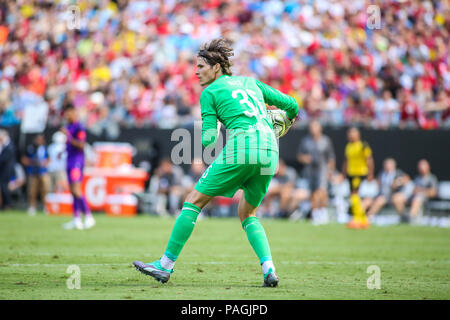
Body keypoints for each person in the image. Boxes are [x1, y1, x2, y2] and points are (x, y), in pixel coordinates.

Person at [133, 38, 299, 287]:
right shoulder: (250, 82)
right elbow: (293, 105)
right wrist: (283, 120)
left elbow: (210, 139)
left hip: (243, 147)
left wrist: (205, 125)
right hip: (269, 150)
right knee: (248, 213)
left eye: (200, 66)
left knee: (193, 201)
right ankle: (269, 269)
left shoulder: (209, 92)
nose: (196, 71)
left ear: (216, 67)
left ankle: (165, 265)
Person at [60, 103, 95, 230]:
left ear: (74, 113)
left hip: (77, 162)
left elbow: (81, 145)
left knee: (76, 190)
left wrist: (68, 136)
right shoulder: (69, 126)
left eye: (68, 112)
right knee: (72, 191)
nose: (66, 115)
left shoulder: (79, 127)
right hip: (69, 160)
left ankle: (89, 216)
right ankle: (76, 219)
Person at [297, 120, 335, 225]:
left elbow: (331, 158)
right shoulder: (306, 141)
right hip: (310, 170)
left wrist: (330, 171)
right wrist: (305, 158)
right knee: (313, 193)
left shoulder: (326, 141)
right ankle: (315, 214)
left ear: (320, 128)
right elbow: (300, 156)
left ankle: (322, 213)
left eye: (315, 127)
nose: (313, 129)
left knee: (322, 191)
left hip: (322, 169)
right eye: (311, 127)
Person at [342, 127, 374, 229]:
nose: (351, 135)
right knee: (354, 196)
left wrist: (370, 174)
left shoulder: (363, 146)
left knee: (354, 196)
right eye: (349, 133)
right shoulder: (348, 146)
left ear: (358, 134)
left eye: (353, 133)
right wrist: (343, 174)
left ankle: (357, 218)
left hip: (360, 173)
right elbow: (346, 161)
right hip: (351, 174)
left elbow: (369, 159)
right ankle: (363, 219)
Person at [392, 159, 438, 223]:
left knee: (418, 198)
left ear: (428, 167)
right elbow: (413, 189)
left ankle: (411, 218)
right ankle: (403, 217)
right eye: (420, 167)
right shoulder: (417, 178)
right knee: (397, 197)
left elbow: (433, 192)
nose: (421, 169)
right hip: (412, 196)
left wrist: (421, 190)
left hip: (423, 199)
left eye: (423, 167)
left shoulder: (432, 178)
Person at [21, 134, 51, 215]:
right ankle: (32, 207)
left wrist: (44, 163)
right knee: (32, 191)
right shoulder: (30, 148)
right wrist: (32, 162)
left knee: (45, 190)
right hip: (33, 172)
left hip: (43, 172)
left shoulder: (45, 148)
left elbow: (49, 159)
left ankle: (46, 206)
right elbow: (24, 159)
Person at [0, 130, 15, 210]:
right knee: (3, 188)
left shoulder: (9, 146)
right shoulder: (4, 146)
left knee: (4, 187)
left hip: (6, 171)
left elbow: (4, 159)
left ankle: (8, 204)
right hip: (3, 171)